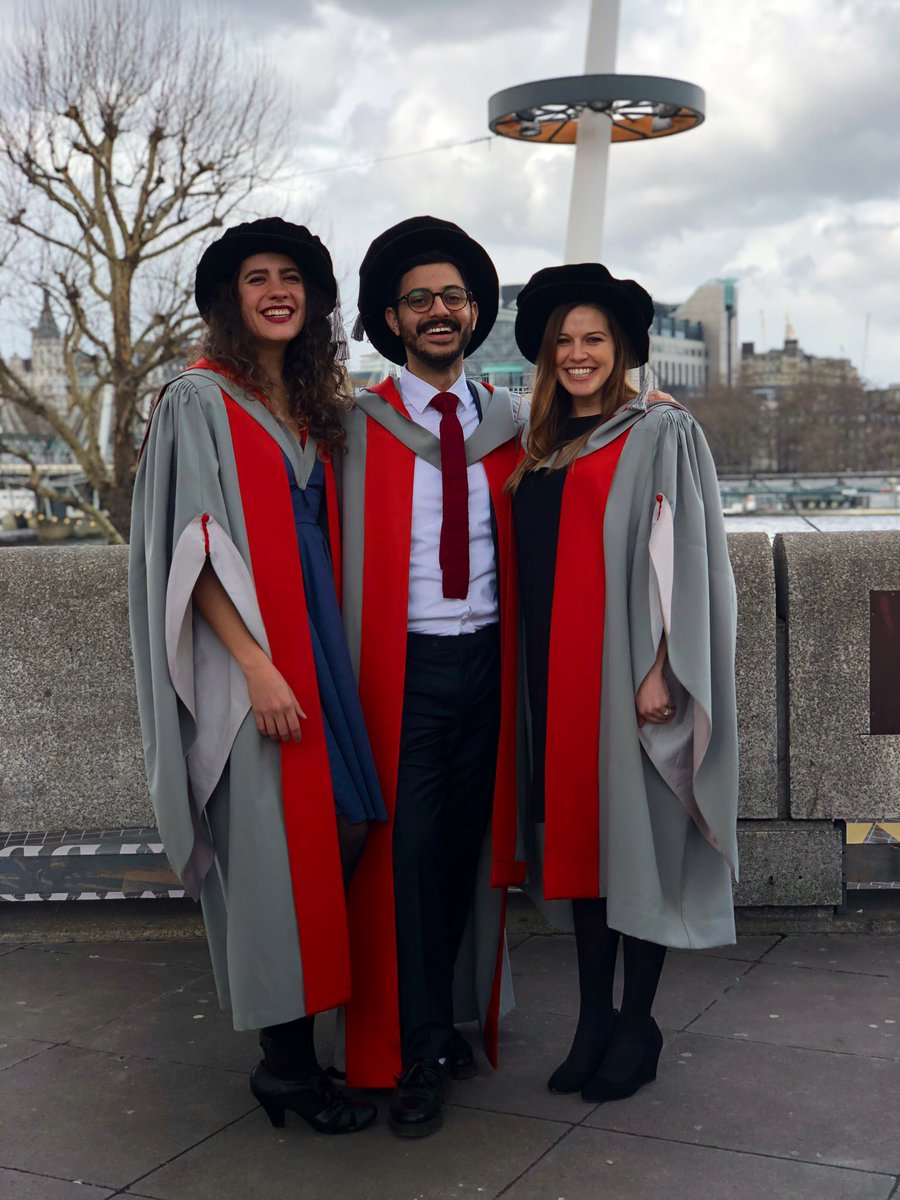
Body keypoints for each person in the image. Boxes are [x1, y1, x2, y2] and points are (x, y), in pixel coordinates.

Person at [129, 218, 386, 1134]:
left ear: (315, 300)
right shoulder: (200, 401)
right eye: (256, 277)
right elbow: (190, 556)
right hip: (260, 666)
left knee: (347, 821)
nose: (277, 290)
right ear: (228, 299)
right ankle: (284, 1066)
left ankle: (304, 1042)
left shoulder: (310, 403)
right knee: (278, 851)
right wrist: (255, 668)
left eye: (293, 277)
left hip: (320, 651)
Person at [507, 263, 739, 1104]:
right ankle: (590, 1022)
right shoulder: (537, 444)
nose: (578, 354)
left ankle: (636, 1022)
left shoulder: (658, 432)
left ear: (623, 349)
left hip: (621, 678)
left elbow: (682, 560)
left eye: (594, 340)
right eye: (564, 341)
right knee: (584, 854)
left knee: (637, 848)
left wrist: (658, 668)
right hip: (551, 680)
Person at [338, 216, 527, 1137]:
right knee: (406, 858)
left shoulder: (506, 423)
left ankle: (450, 1020)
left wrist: (652, 409)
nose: (440, 311)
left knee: (466, 853)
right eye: (420, 299)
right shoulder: (353, 429)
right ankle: (414, 1046)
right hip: (401, 671)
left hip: (490, 664)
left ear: (476, 310)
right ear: (391, 318)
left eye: (454, 296)